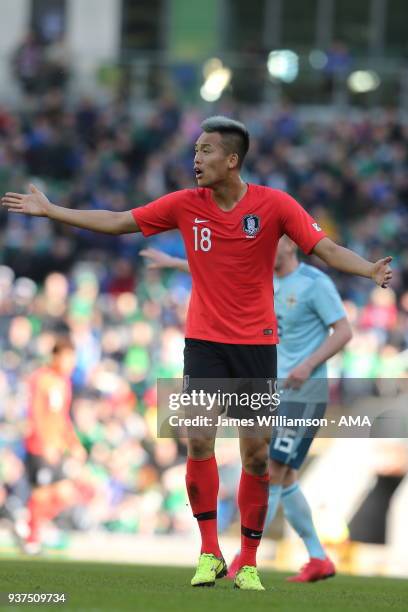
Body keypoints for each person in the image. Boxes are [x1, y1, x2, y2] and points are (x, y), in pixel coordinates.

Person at [1, 116, 392, 590]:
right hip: (204, 342)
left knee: (254, 455)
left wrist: (369, 269)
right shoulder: (187, 204)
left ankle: (247, 561)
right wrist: (53, 211)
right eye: (194, 151)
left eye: (206, 151)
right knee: (198, 438)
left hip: (256, 346)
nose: (196, 159)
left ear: (232, 160)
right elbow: (121, 221)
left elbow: (325, 249)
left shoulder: (275, 205)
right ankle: (209, 552)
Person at [140, 235, 352, 582]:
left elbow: (343, 331)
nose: (269, 244)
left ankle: (242, 558)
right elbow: (218, 272)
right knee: (285, 477)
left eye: (277, 238)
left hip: (304, 394)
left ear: (291, 244)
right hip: (269, 388)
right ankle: (318, 557)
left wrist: (307, 365)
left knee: (272, 469)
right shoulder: (261, 280)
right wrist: (177, 264)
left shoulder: (316, 283)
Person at [23, 336, 90, 554]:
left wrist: (74, 444)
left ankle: (32, 525)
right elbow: (36, 415)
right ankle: (32, 539)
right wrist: (45, 444)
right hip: (39, 448)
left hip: (57, 448)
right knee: (41, 494)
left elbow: (62, 418)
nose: (70, 363)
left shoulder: (64, 383)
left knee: (65, 494)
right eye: (67, 358)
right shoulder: (40, 379)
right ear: (55, 357)